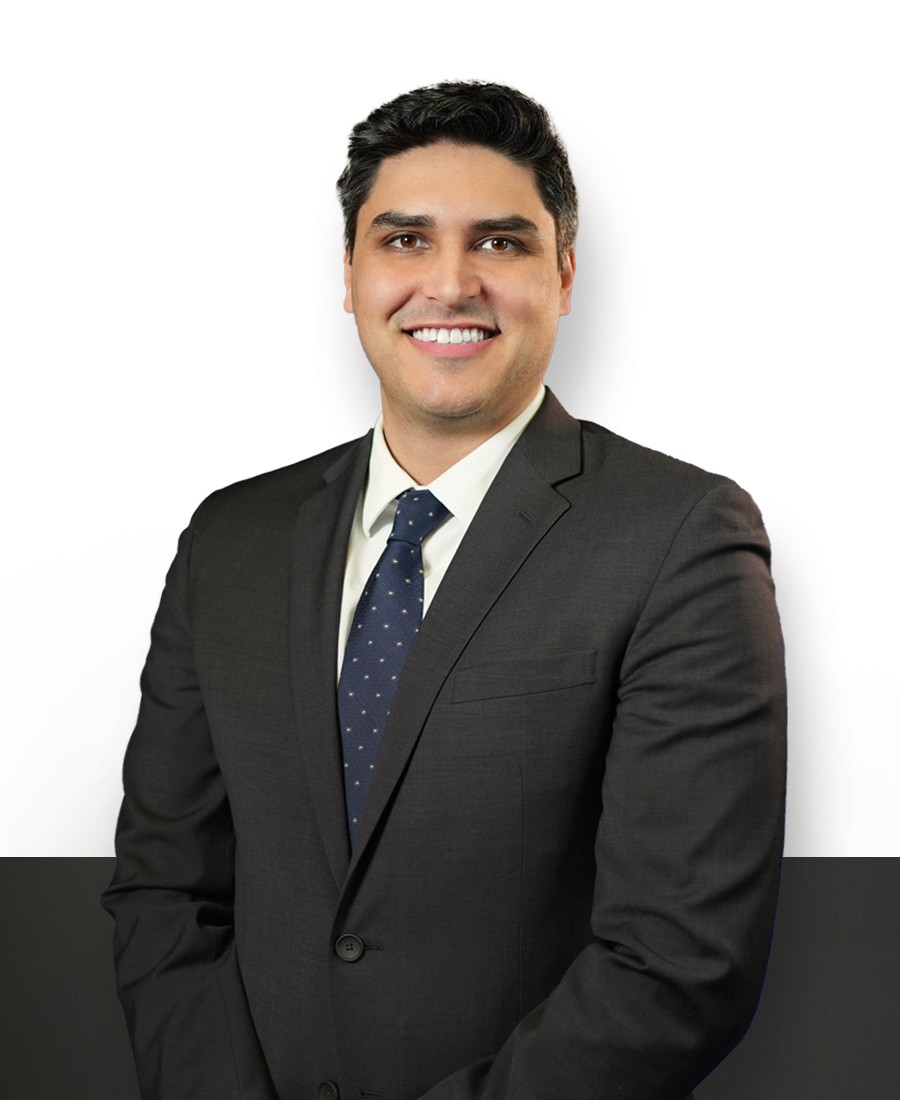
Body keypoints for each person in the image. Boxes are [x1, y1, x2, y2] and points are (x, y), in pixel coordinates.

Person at [102, 81, 786, 1100]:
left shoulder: (679, 537)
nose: (451, 283)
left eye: (502, 243)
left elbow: (677, 959)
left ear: (562, 276)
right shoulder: (229, 540)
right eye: (406, 240)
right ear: (350, 273)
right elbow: (166, 890)